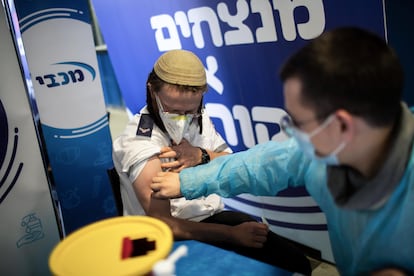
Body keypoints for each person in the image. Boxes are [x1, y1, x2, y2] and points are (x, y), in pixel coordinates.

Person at [151, 28, 414, 276]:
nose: (291, 135)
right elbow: (263, 164)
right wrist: (186, 181)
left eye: (298, 122)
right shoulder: (322, 150)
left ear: (342, 126)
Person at [112, 49, 311, 274]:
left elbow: (231, 163)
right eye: (173, 110)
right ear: (152, 90)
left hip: (212, 217)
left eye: (189, 111)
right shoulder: (140, 142)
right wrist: (231, 235)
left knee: (297, 265)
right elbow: (164, 223)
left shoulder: (200, 119)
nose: (182, 119)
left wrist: (201, 155)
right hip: (167, 238)